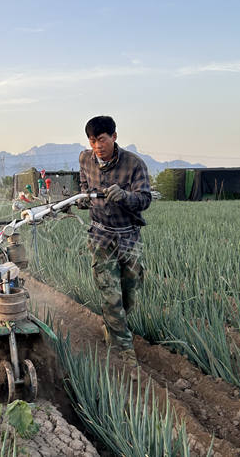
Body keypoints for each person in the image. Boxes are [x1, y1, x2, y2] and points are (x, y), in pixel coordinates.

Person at [77, 116, 152, 372]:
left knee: (129, 296)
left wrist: (125, 196)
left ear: (114, 137)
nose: (97, 145)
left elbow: (144, 199)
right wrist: (83, 199)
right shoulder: (84, 159)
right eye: (92, 140)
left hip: (129, 236)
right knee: (111, 296)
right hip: (100, 236)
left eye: (102, 139)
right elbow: (84, 187)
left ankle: (113, 327)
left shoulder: (134, 164)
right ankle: (125, 354)